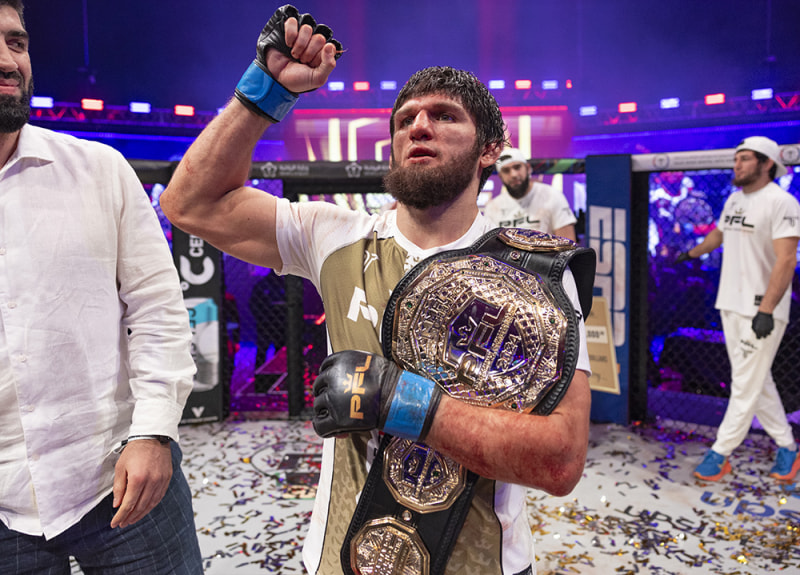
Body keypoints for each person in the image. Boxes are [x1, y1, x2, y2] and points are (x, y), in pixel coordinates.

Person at [160, 6, 592, 574]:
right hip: (342, 559)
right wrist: (265, 90)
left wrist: (402, 403)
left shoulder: (538, 273)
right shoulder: (334, 236)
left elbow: (560, 460)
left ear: (490, 149)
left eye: (444, 116)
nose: (419, 127)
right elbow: (189, 204)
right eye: (405, 119)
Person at [0, 2, 203, 573]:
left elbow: (158, 310)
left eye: (17, 42)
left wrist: (154, 434)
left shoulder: (100, 169)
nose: (8, 60)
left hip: (121, 472)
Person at [677, 136, 800, 483]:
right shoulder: (734, 199)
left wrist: (767, 309)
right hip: (729, 302)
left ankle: (720, 453)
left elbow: (786, 259)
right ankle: (788, 448)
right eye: (736, 159)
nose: (737, 165)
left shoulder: (782, 202)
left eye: (745, 158)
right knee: (756, 381)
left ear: (767, 164)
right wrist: (691, 254)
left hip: (761, 310)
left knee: (745, 383)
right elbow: (719, 235)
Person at [484, 147, 578, 241]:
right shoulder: (492, 208)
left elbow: (568, 243)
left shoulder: (552, 196)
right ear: (500, 176)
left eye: (517, 167)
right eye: (506, 170)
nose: (513, 174)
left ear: (528, 168)